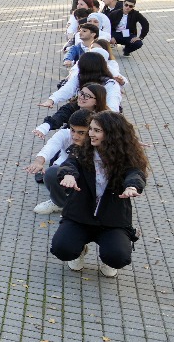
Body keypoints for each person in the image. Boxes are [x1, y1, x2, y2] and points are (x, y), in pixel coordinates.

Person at [50, 111, 147, 277]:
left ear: (111, 134)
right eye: (91, 129)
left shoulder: (126, 158)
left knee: (118, 257)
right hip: (80, 216)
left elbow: (135, 173)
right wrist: (68, 175)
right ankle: (79, 250)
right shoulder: (80, 150)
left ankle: (108, 257)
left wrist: (132, 186)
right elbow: (69, 164)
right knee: (62, 248)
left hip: (112, 220)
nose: (90, 134)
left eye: (96, 130)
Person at [26, 109, 93, 216]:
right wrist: (39, 162)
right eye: (73, 130)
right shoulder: (64, 134)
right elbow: (50, 147)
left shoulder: (98, 141)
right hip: (68, 170)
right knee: (51, 173)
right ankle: (61, 203)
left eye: (81, 133)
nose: (75, 136)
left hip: (90, 177)